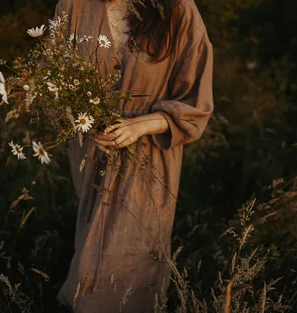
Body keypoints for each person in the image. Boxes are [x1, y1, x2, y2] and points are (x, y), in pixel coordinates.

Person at [55, 0, 214, 311]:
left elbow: (196, 103)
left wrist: (141, 125)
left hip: (150, 162)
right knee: (89, 262)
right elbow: (57, 85)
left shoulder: (178, 10)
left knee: (133, 265)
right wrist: (86, 123)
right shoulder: (72, 6)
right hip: (93, 158)